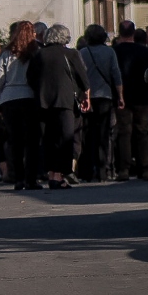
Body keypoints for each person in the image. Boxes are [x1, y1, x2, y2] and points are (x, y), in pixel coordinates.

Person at [28, 24, 90, 189]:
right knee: (65, 138)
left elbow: (31, 77)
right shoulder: (71, 54)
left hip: (43, 102)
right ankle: (60, 175)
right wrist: (86, 97)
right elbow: (83, 78)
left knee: (48, 139)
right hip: (65, 101)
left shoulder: (39, 55)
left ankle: (51, 174)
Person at [0, 21, 43, 190]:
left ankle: (18, 178)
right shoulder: (36, 52)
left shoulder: (7, 53)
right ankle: (31, 179)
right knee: (32, 141)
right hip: (29, 97)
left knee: (15, 141)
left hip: (9, 98)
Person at [113, 20, 148, 181]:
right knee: (142, 133)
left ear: (119, 33)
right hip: (143, 97)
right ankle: (144, 169)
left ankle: (124, 169)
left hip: (122, 97)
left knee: (124, 133)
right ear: (133, 33)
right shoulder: (144, 51)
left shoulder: (114, 51)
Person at [79, 24, 122, 182]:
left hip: (87, 97)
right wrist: (121, 96)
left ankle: (88, 170)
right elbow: (115, 74)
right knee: (104, 134)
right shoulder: (109, 52)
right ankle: (103, 169)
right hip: (105, 96)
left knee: (88, 134)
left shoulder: (83, 52)